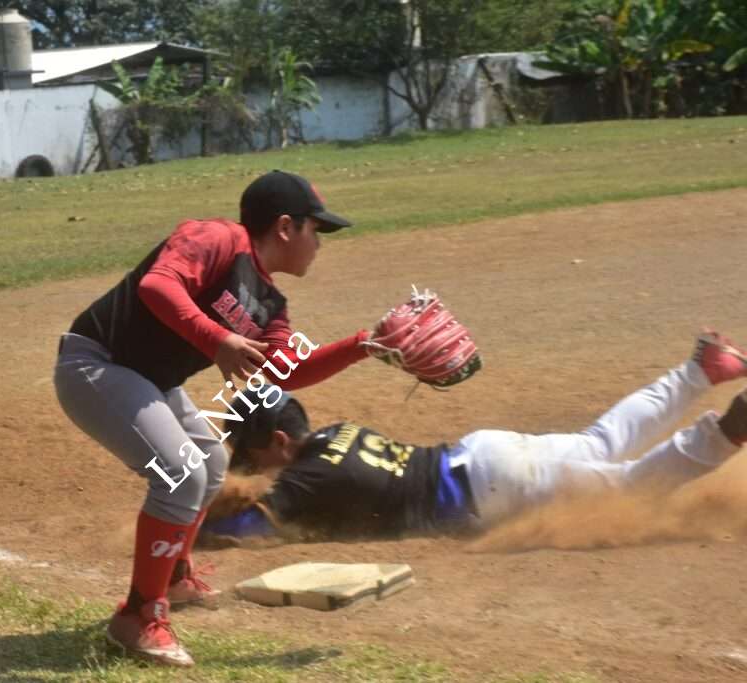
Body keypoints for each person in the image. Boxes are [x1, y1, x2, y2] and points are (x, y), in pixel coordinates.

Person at [54, 170, 375, 666]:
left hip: (149, 381)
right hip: (96, 364)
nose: (319, 242)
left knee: (210, 464)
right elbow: (158, 285)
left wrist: (365, 344)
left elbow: (288, 371)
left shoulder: (269, 303)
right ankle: (138, 616)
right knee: (181, 473)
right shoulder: (217, 238)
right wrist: (217, 338)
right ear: (285, 227)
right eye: (316, 229)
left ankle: (174, 577)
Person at [204, 332, 747, 540]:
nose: (253, 470)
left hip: (492, 486)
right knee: (600, 443)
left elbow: (245, 527)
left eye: (250, 456)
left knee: (628, 486)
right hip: (486, 453)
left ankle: (729, 429)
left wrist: (195, 525)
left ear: (279, 440)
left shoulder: (307, 478)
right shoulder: (338, 434)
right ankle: (699, 371)